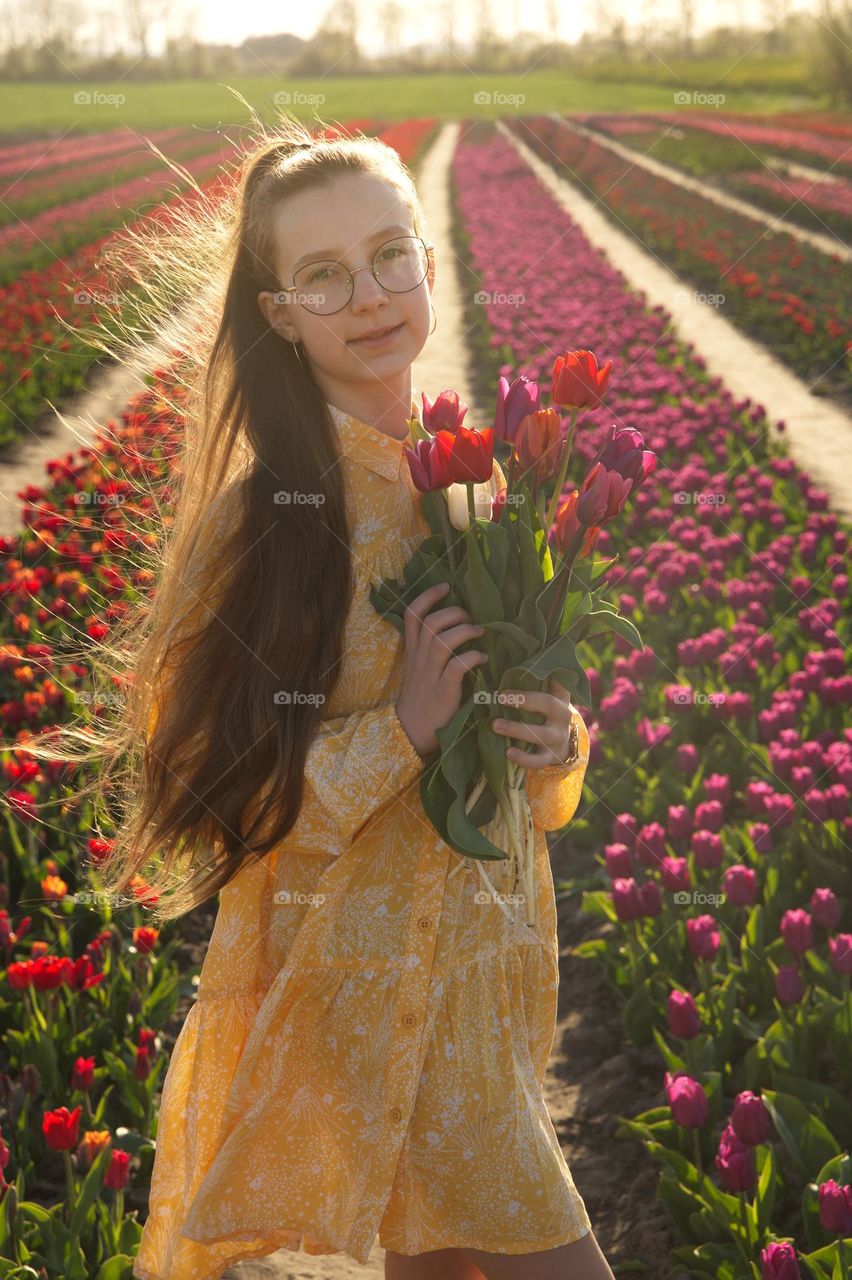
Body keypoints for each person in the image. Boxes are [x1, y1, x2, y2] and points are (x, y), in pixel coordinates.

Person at [122, 117, 615, 1280]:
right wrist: (400, 726)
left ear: (430, 266)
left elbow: (529, 791)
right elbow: (212, 794)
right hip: (356, 1010)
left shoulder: (482, 487)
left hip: (477, 1001)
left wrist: (555, 742)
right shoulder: (273, 522)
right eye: (324, 274)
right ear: (280, 310)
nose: (370, 293)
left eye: (392, 253)